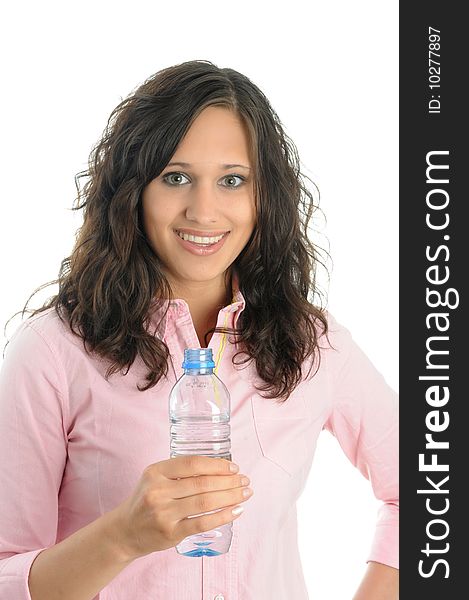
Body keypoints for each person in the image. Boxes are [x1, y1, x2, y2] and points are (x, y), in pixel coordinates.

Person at [0, 59, 398, 599]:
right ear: (134, 190)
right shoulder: (53, 350)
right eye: (176, 177)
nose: (204, 210)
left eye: (232, 180)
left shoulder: (313, 344)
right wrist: (122, 536)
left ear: (265, 198)